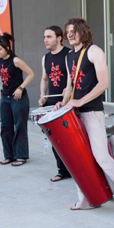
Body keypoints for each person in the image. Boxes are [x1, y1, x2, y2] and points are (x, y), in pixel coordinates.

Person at [53, 18, 114, 217]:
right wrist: (63, 103)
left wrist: (80, 102)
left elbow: (104, 83)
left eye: (74, 31)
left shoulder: (94, 51)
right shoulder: (69, 56)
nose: (70, 34)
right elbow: (69, 86)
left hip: (92, 112)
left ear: (83, 31)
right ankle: (88, 200)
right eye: (67, 31)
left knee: (102, 158)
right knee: (80, 160)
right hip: (74, 115)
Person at [0, 33, 35, 167]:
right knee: (5, 127)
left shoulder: (15, 60)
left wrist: (20, 87)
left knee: (20, 126)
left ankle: (21, 156)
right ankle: (9, 155)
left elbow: (31, 74)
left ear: (7, 48)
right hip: (5, 98)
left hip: (18, 98)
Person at [40, 26, 71, 182]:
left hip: (67, 102)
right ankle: (62, 170)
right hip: (52, 102)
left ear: (59, 38)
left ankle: (75, 168)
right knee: (54, 139)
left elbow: (73, 78)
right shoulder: (46, 58)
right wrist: (42, 95)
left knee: (70, 138)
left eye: (49, 37)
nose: (45, 40)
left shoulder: (68, 55)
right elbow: (45, 79)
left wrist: (67, 93)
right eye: (45, 37)